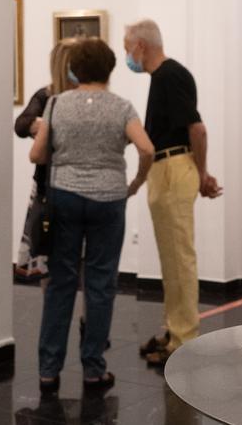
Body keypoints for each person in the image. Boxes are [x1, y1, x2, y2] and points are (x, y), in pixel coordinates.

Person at [30, 38, 155, 394]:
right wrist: (135, 183)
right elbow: (146, 148)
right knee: (101, 285)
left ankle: (48, 371)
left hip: (65, 198)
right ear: (110, 68)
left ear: (75, 69)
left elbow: (37, 155)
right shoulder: (121, 107)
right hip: (108, 200)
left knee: (61, 283)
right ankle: (93, 369)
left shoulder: (56, 104)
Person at [123, 19, 222, 367]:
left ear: (140, 46)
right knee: (171, 258)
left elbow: (197, 128)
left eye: (127, 47)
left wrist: (202, 171)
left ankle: (184, 339)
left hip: (173, 168)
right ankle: (174, 329)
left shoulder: (170, 75)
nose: (126, 54)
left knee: (180, 258)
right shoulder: (162, 77)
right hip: (166, 169)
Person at [13, 39, 78, 281]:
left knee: (77, 262)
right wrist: (41, 126)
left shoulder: (87, 98)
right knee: (45, 260)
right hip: (46, 187)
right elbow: (21, 125)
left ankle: (83, 316)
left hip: (77, 184)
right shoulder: (46, 96)